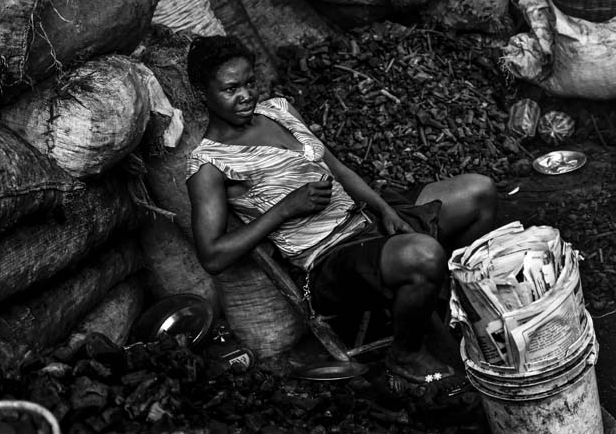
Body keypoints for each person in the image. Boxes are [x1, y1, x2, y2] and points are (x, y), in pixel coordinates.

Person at [184, 35, 496, 401]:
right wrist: (285, 208)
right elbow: (213, 256)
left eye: (250, 82)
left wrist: (385, 210)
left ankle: (450, 304)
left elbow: (339, 170)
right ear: (202, 93)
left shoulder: (278, 111)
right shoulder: (210, 164)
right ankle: (406, 354)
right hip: (327, 261)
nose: (246, 95)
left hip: (365, 222)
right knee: (424, 255)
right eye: (230, 89)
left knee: (480, 192)